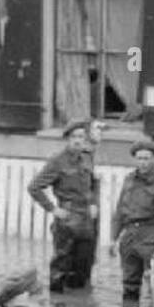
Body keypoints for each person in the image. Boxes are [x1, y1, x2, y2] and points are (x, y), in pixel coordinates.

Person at [27, 119, 100, 293]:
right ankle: (58, 304)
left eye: (81, 136)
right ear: (67, 139)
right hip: (67, 218)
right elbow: (34, 187)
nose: (77, 140)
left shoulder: (87, 157)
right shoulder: (57, 161)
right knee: (61, 264)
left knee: (84, 263)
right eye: (74, 136)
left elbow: (93, 182)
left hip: (87, 219)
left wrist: (94, 202)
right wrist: (53, 209)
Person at [113, 140, 154, 307]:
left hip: (151, 236)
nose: (143, 162)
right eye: (139, 158)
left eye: (146, 158)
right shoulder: (129, 179)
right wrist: (113, 238)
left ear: (153, 159)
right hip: (130, 237)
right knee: (130, 287)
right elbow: (120, 211)